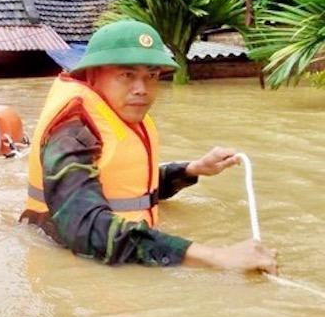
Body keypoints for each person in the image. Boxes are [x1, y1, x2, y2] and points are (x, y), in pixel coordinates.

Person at [21, 20, 278, 274]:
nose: (142, 89)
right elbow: (85, 229)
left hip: (124, 256)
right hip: (71, 265)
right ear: (92, 75)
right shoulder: (72, 132)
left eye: (151, 76)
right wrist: (217, 257)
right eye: (127, 75)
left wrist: (192, 170)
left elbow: (130, 189)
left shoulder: (121, 114)